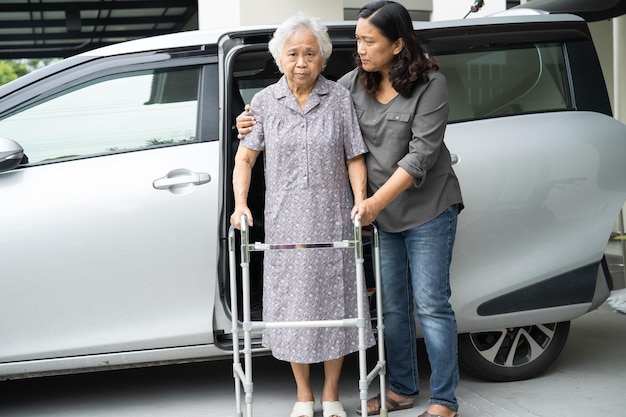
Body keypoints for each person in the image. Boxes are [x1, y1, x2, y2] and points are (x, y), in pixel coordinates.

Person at [236, 2, 463, 417]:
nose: (357, 48)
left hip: (426, 207)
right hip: (382, 215)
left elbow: (419, 158)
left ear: (397, 45)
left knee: (430, 302)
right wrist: (247, 120)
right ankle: (402, 389)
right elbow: (305, 93)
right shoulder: (352, 85)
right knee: (391, 306)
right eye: (357, 39)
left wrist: (369, 202)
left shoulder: (431, 85)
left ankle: (445, 400)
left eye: (367, 41)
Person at [229, 13, 375, 417]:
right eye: (293, 53)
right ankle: (303, 395)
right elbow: (245, 160)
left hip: (332, 218)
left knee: (334, 308)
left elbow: (355, 156)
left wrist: (360, 202)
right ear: (279, 59)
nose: (301, 62)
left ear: (323, 58)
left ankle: (330, 395)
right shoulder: (263, 103)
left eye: (310, 53)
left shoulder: (338, 99)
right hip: (285, 221)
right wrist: (241, 205)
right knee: (294, 310)